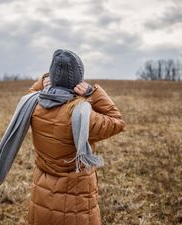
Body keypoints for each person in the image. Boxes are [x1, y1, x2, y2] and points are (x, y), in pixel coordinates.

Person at [26, 49, 126, 225]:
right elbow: (117, 122)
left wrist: (41, 83)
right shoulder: (82, 114)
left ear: (52, 77)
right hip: (77, 206)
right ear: (78, 81)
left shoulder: (34, 106)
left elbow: (27, 96)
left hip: (42, 195)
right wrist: (93, 93)